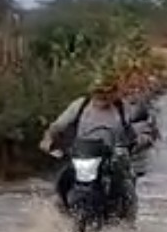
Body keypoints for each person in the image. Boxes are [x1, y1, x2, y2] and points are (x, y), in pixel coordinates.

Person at [39, 76, 149, 215]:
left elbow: (140, 129)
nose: (102, 96)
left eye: (106, 92)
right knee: (63, 178)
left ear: (114, 93)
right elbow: (57, 126)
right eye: (98, 92)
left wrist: (140, 140)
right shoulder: (80, 105)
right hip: (84, 154)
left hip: (114, 155)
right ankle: (60, 212)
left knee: (126, 181)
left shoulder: (123, 108)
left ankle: (127, 214)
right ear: (92, 92)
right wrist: (47, 140)